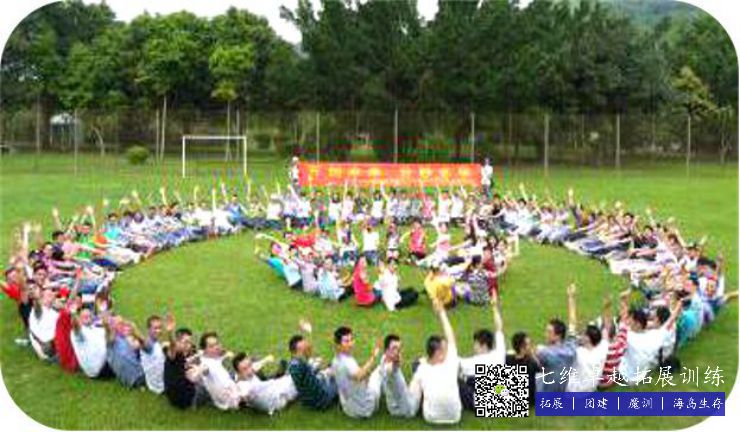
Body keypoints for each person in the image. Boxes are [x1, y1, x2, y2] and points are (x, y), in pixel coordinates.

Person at [408, 298, 461, 424]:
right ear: (438, 353)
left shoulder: (422, 369)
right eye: (445, 349)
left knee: (416, 366)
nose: (447, 350)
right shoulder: (451, 362)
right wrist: (442, 313)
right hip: (455, 417)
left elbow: (412, 398)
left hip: (431, 417)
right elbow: (451, 336)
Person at [459, 294, 506, 410]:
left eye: (476, 344)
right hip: (500, 394)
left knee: (459, 381)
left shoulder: (475, 362)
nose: (474, 347)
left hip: (483, 403)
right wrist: (494, 307)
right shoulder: (499, 353)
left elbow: (455, 363)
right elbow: (499, 328)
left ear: (483, 345)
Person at [331, 326, 383, 418]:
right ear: (338, 345)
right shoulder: (348, 363)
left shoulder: (334, 360)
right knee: (379, 371)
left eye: (351, 339)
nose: (351, 344)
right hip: (364, 409)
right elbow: (360, 375)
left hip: (348, 409)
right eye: (346, 341)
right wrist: (374, 356)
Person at [287, 320, 338, 410]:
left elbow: (310, 371)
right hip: (322, 399)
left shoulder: (291, 364)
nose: (305, 351)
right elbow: (308, 355)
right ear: (296, 351)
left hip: (307, 399)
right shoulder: (302, 365)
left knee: (328, 370)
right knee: (338, 374)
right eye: (302, 350)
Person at [233, 352, 297, 415]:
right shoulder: (243, 386)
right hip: (277, 399)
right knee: (296, 376)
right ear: (238, 373)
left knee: (290, 374)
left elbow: (255, 366)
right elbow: (243, 393)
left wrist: (266, 360)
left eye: (249, 365)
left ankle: (285, 371)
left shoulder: (245, 374)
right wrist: (239, 396)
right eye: (245, 369)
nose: (249, 370)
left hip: (274, 389)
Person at [535, 313, 576, 392]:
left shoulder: (545, 353)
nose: (546, 335)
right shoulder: (571, 349)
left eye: (549, 332)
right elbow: (572, 329)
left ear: (558, 336)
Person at [378, 334, 416, 418]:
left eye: (399, 348)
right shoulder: (390, 368)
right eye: (394, 348)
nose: (397, 351)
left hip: (393, 407)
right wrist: (395, 364)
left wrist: (396, 363)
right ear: (386, 350)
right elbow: (389, 370)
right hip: (407, 410)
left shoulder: (384, 358)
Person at [70, 305, 109, 378]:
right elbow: (76, 329)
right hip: (97, 368)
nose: (87, 317)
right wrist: (73, 314)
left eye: (89, 315)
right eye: (84, 316)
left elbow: (109, 333)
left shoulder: (96, 328)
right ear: (79, 318)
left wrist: (104, 314)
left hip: (106, 360)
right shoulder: (78, 332)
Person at [505, 332, 539, 405]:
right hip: (529, 399)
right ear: (522, 347)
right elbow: (541, 370)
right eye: (528, 344)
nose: (530, 346)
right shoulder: (531, 363)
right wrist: (533, 355)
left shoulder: (507, 359)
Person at [140, 314, 166, 394]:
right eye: (155, 328)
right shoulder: (148, 345)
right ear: (148, 329)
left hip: (160, 383)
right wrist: (135, 331)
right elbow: (143, 343)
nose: (158, 331)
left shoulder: (156, 344)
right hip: (161, 386)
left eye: (160, 328)